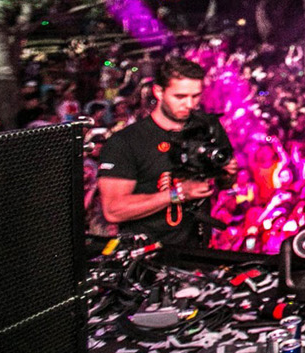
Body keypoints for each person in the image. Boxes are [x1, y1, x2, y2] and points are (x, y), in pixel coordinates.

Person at [98, 57, 236, 245]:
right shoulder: (127, 141)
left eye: (195, 96)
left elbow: (225, 183)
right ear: (159, 92)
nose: (190, 104)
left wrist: (228, 173)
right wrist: (177, 194)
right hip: (147, 252)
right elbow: (113, 211)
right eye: (180, 97)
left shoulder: (208, 127)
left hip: (197, 248)